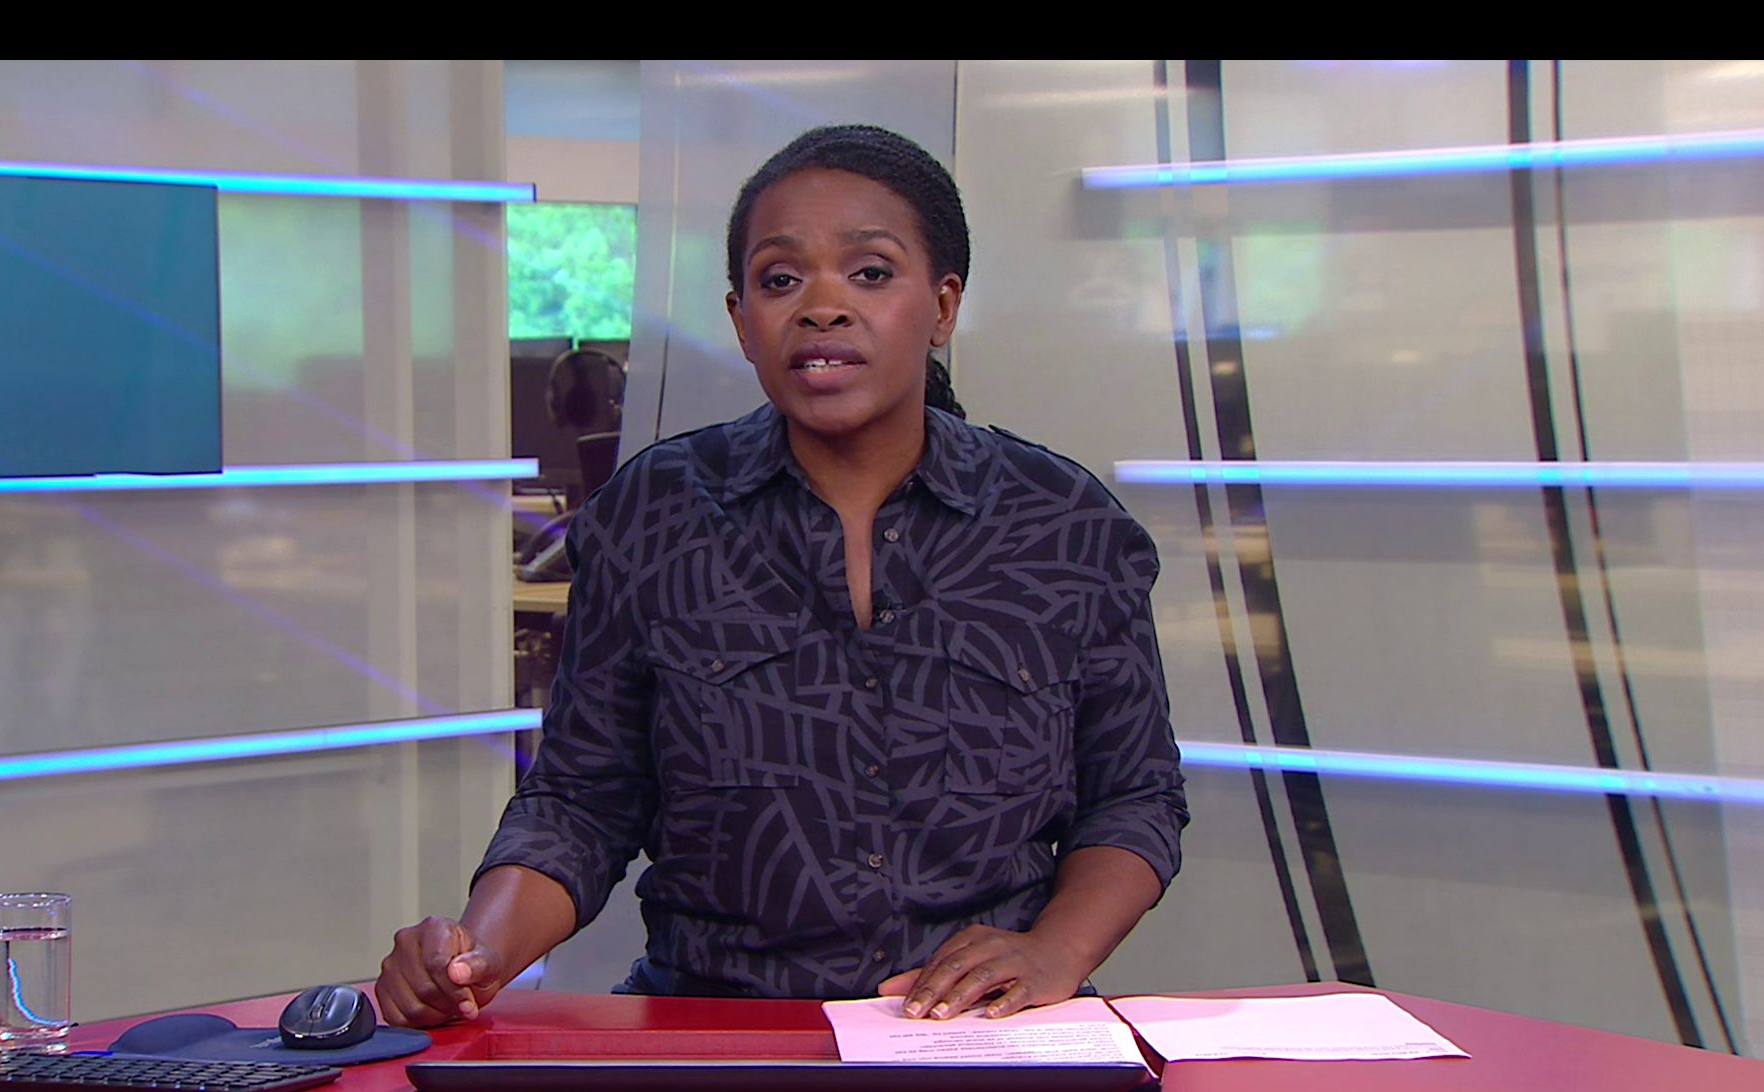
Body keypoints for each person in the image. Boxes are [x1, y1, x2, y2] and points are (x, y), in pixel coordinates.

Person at [376, 124, 1188, 1027]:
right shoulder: (654, 513)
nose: (823, 307)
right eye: (780, 280)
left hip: (986, 1036)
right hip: (715, 1030)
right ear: (741, 322)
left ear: (943, 306)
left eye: (870, 273)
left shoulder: (1062, 523)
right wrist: (478, 954)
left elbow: (1134, 797)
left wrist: (1056, 951)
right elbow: (580, 801)